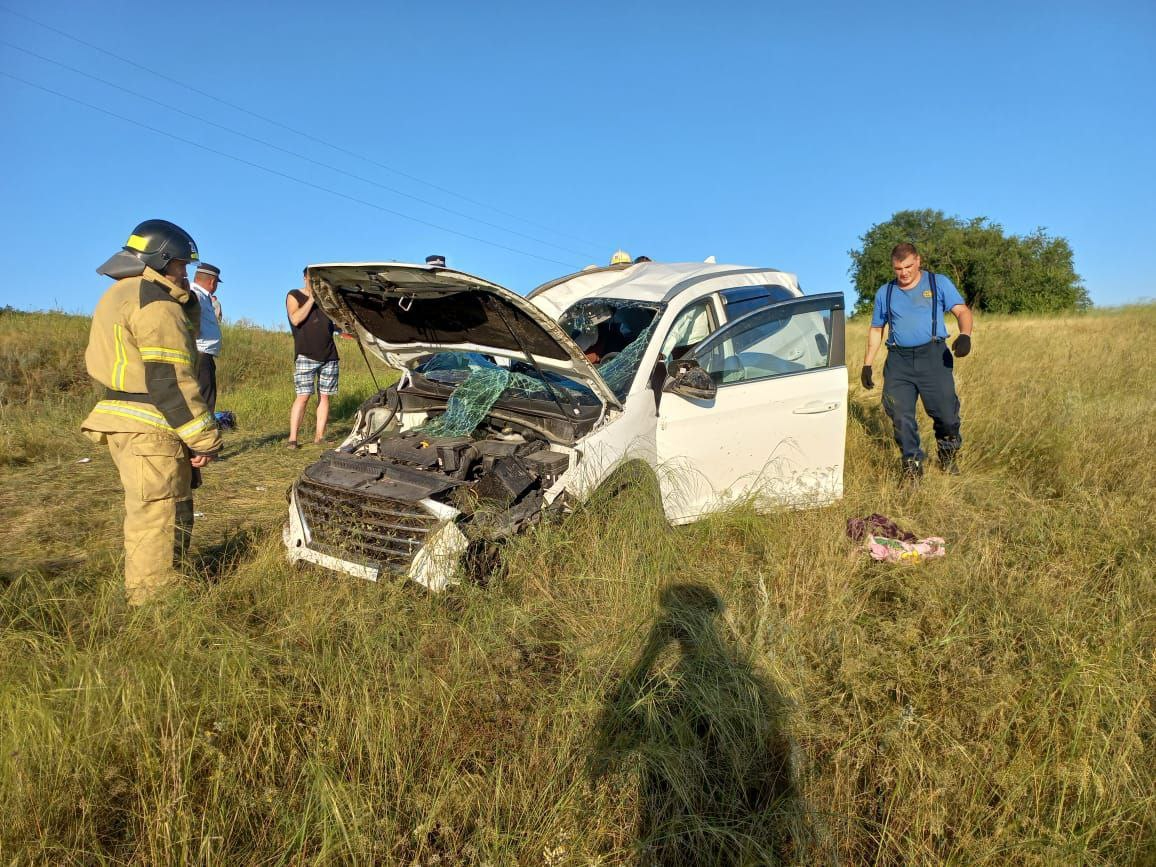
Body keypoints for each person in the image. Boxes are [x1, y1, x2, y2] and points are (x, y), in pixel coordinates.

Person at [80, 219, 221, 606]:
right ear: (160, 261)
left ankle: (164, 584)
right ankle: (155, 606)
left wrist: (186, 301)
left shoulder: (122, 293)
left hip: (131, 421)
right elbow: (170, 380)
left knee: (163, 507)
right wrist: (204, 437)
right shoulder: (156, 305)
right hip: (151, 425)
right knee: (157, 516)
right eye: (180, 265)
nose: (186, 274)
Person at [861, 242, 974, 481]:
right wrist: (867, 364)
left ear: (918, 261)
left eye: (908, 266)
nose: (904, 273)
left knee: (946, 414)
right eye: (898, 268)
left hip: (933, 357)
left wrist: (965, 336)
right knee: (899, 413)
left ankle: (948, 454)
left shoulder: (938, 282)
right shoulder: (886, 292)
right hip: (899, 361)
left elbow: (962, 311)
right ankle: (912, 464)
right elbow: (876, 329)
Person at [286, 267, 339, 447]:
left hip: (329, 354)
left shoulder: (327, 301)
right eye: (311, 279)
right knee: (303, 396)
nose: (314, 283)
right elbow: (295, 319)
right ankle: (293, 438)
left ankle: (319, 436)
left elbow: (337, 323)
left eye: (318, 280)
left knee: (325, 396)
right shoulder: (294, 295)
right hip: (306, 354)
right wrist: (312, 299)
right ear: (304, 278)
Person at [189, 262, 223, 415]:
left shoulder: (203, 296)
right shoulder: (195, 295)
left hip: (203, 354)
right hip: (200, 353)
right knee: (205, 399)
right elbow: (188, 318)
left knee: (205, 396)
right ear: (212, 282)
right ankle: (205, 436)